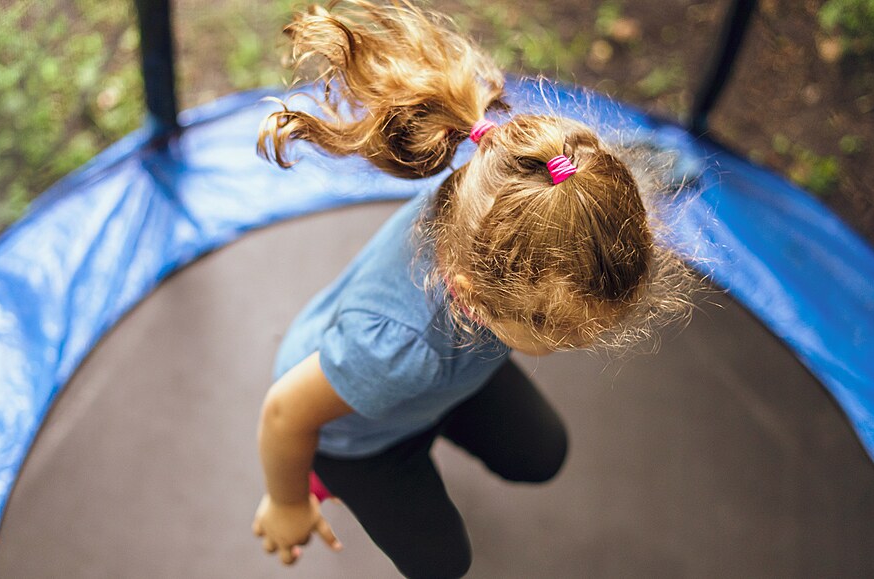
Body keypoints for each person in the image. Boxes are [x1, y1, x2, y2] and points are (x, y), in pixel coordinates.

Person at [251, 1, 693, 577]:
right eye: (557, 330)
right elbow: (284, 413)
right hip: (354, 429)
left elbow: (592, 198)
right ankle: (322, 475)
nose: (575, 342)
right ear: (472, 295)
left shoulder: (510, 204)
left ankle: (436, 413)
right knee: (442, 564)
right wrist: (286, 502)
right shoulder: (393, 351)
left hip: (443, 377)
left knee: (541, 454)